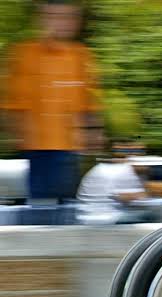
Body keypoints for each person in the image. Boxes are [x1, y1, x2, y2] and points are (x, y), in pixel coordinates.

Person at [1, 0, 103, 220]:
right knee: (43, 212)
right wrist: (17, 134)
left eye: (70, 17)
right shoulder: (25, 54)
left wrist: (94, 133)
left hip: (73, 151)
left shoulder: (81, 56)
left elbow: (89, 102)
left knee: (70, 212)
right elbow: (13, 104)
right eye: (56, 16)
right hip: (40, 150)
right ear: (42, 18)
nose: (64, 23)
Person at [76, 141, 152, 225]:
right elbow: (128, 198)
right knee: (151, 214)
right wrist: (148, 192)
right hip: (107, 218)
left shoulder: (100, 167)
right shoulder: (124, 169)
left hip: (87, 215)